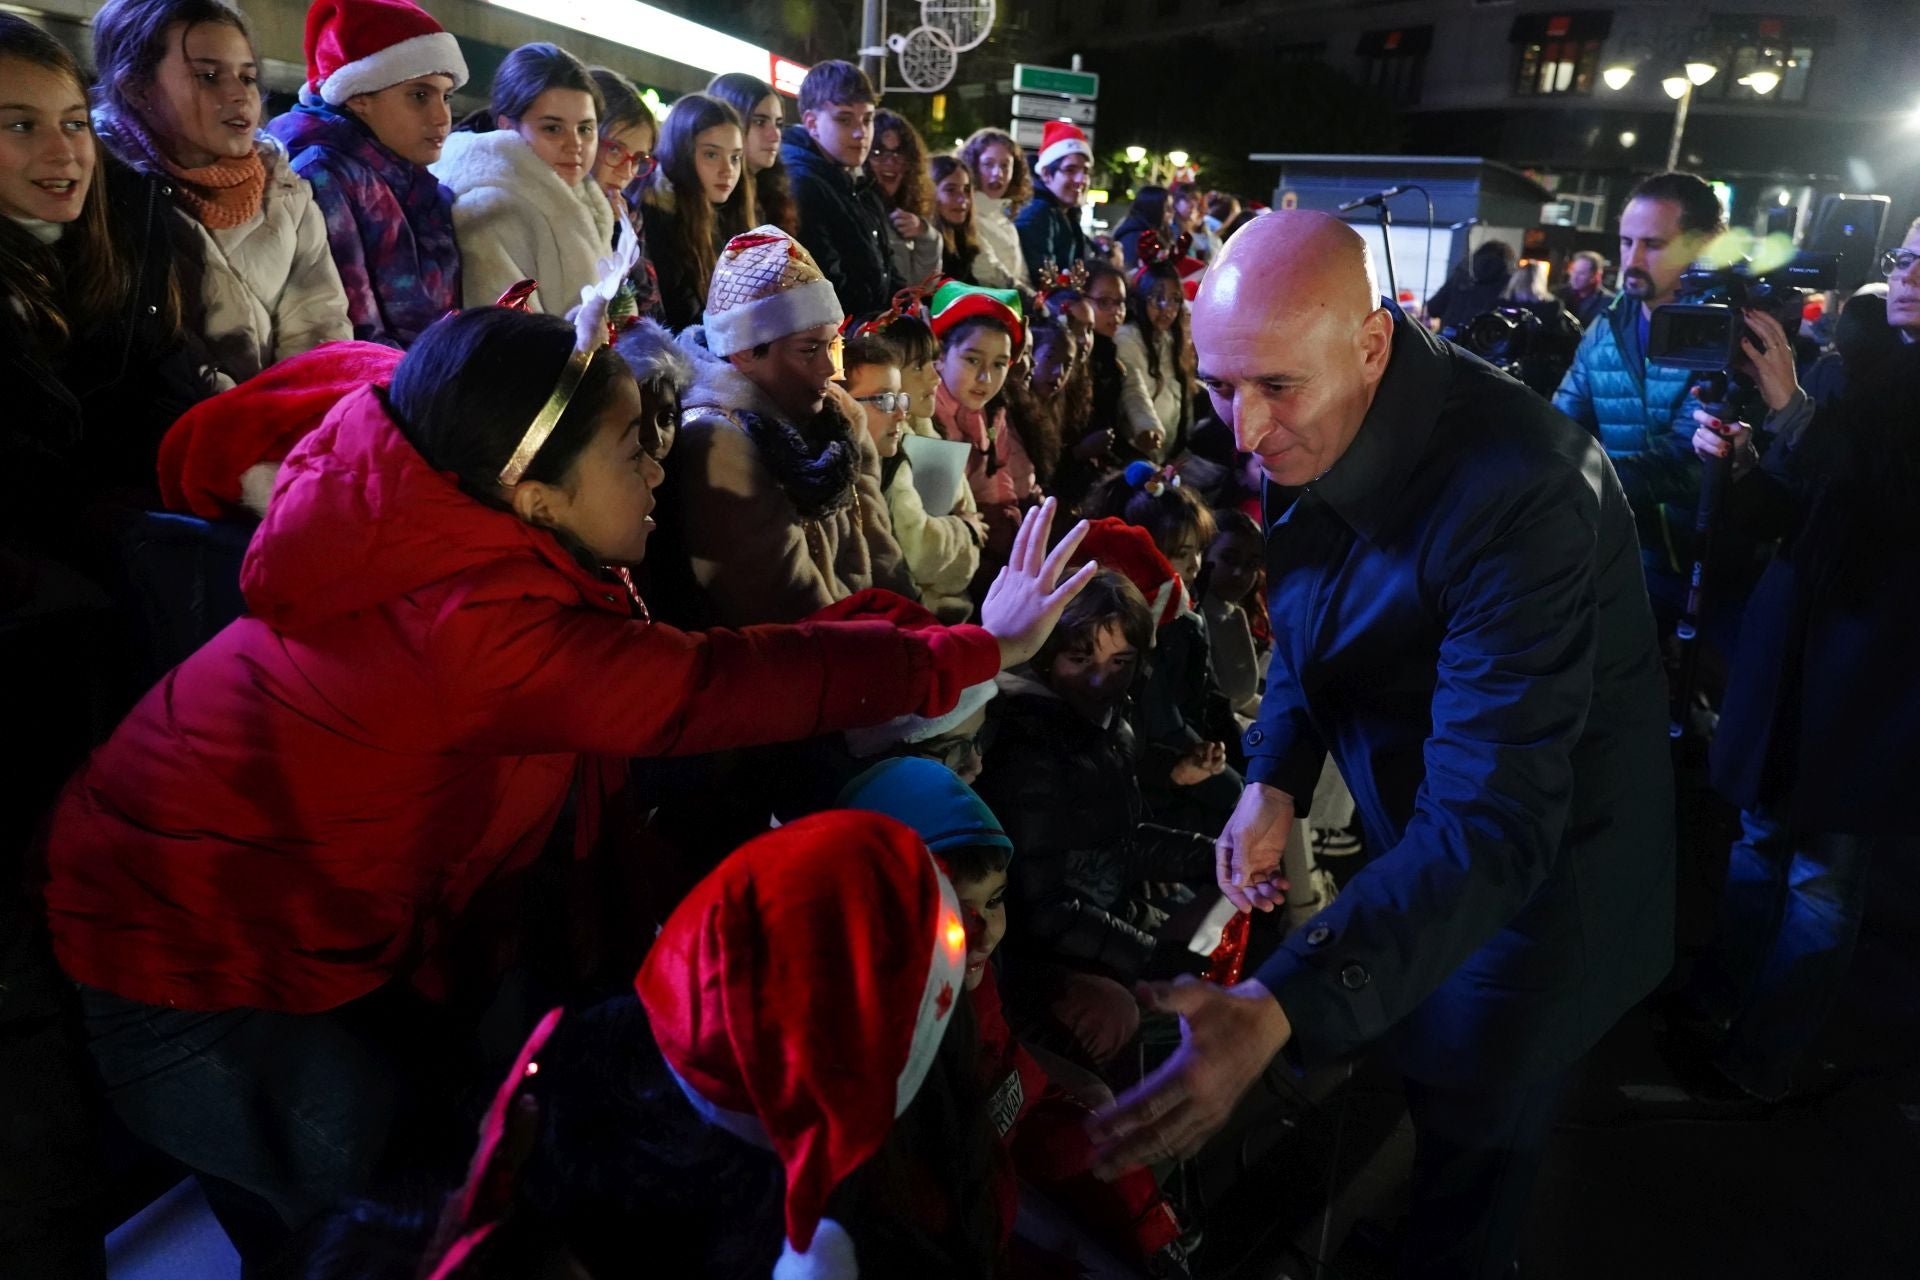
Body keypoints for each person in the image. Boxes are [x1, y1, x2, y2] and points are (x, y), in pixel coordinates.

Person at [33, 302, 1096, 1252]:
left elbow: (373, 372)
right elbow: (719, 684)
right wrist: (977, 650)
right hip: (180, 966)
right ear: (533, 493)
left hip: (286, 913)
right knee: (397, 1214)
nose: (661, 468)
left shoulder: (424, 482)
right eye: (635, 447)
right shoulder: (474, 631)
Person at [1087, 210, 1675, 1280]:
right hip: (1444, 838)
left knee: (1478, 1126)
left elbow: (1493, 819)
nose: (1246, 430)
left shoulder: (1523, 495)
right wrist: (1275, 773)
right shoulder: (1316, 406)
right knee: (1431, 1071)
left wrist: (1279, 1005)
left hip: (1543, 888)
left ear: (1372, 343)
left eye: (1272, 387)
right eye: (1218, 387)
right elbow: (1319, 621)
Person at [1666, 264, 1920, 1104]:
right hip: (1797, 647)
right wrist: (1744, 463)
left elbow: (1889, 501)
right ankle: (1714, 1002)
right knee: (1758, 836)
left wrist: (1793, 412)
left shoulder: (1845, 381)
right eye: (1905, 256)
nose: (1906, 273)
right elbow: (1801, 500)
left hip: (1876, 666)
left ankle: (1761, 1061)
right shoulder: (1858, 360)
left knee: (1823, 872)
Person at [838, 758, 1196, 1278]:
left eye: (996, 900)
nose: (981, 933)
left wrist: (1145, 1224)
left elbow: (1025, 1103)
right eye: (954, 910)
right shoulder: (869, 1080)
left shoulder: (969, 998)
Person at [975, 569, 1216, 1073]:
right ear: (1046, 657)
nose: (1101, 680)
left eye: (1120, 662)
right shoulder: (1030, 748)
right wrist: (1148, 955)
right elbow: (1042, 908)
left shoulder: (1106, 725)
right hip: (1043, 952)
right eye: (1081, 659)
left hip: (1101, 918)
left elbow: (1119, 842)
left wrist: (1214, 855)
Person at [1551, 171, 1801, 612]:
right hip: (1624, 561)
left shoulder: (1739, 333)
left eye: (1653, 244)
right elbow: (1561, 425)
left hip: (1718, 571)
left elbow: (1692, 462)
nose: (1631, 259)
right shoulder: (1607, 324)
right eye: (1626, 242)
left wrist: (1570, 486)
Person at [91, 0, 352, 392]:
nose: (239, 95)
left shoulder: (284, 188)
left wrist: (295, 419)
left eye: (247, 77)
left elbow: (321, 323)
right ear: (137, 88)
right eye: (209, 76)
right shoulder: (108, 197)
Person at [663, 226, 914, 626]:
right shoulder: (720, 443)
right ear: (745, 352)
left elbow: (882, 556)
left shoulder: (838, 415)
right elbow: (787, 607)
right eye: (809, 350)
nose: (831, 369)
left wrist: (921, 634)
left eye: (833, 345)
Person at [264, 0, 466, 351]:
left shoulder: (413, 180)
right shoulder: (322, 173)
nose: (441, 116)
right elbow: (358, 336)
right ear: (358, 97)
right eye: (419, 95)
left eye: (446, 97)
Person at [432, 42, 614, 314]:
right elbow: (511, 340)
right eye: (553, 128)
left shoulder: (586, 198)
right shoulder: (490, 207)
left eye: (585, 128)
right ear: (507, 127)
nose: (575, 144)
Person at [846, 328, 983, 623]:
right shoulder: (892, 460)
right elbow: (916, 555)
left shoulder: (913, 444)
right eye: (919, 366)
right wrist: (964, 531)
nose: (935, 377)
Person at [780, 60, 897, 317]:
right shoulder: (802, 184)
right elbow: (826, 288)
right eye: (845, 120)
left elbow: (886, 269)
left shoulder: (855, 181)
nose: (861, 133)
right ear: (811, 123)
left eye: (867, 119)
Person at [930, 279, 1035, 560]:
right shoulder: (928, 416)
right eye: (973, 360)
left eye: (999, 364)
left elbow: (999, 488)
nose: (985, 378)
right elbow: (933, 517)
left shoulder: (990, 412)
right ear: (940, 354)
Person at [640, 92, 750, 332]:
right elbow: (684, 320)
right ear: (682, 152)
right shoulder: (658, 217)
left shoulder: (728, 212)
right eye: (711, 154)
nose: (727, 170)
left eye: (735, 157)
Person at [586, 66, 661, 323]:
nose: (626, 171)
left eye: (639, 158)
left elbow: (649, 310)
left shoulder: (630, 216)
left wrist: (622, 233)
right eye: (616, 150)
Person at [1115, 255, 1195, 461]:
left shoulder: (1168, 339)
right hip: (1139, 450)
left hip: (1166, 451)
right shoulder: (1127, 338)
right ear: (1140, 298)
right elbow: (1133, 388)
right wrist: (1146, 426)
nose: (1166, 308)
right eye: (1157, 297)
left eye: (1174, 299)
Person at [706, 70, 795, 235]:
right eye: (760, 122)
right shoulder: (713, 197)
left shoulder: (773, 192)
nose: (775, 135)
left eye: (778, 123)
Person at [867, 108, 941, 290]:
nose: (890, 162)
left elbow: (922, 288)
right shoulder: (857, 210)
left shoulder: (908, 210)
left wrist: (925, 234)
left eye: (898, 153)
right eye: (878, 153)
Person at [1016, 121, 1093, 287]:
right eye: (1070, 170)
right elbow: (1044, 282)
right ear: (1045, 174)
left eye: (1085, 171)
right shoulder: (1038, 213)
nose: (1081, 180)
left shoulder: (1065, 212)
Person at [958, 126, 1029, 290]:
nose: (998, 173)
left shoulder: (1006, 221)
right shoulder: (966, 215)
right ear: (973, 167)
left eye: (1005, 165)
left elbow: (1022, 276)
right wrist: (1030, 299)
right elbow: (989, 272)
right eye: (988, 164)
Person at [1424, 238, 1514, 332]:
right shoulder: (1510, 285)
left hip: (1450, 339)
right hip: (1483, 342)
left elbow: (1433, 308)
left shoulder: (1462, 274)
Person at [929, 153, 980, 284]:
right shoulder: (922, 242)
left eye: (966, 190)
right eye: (950, 190)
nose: (963, 199)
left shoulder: (961, 239)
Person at [1111, 185, 1169, 268]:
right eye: (1167, 208)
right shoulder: (1134, 238)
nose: (1172, 212)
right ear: (1153, 209)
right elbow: (1131, 273)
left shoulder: (1155, 235)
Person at [1554, 248, 1613, 328]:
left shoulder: (1608, 303)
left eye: (1581, 273)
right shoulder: (1556, 294)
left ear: (1596, 275)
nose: (1574, 277)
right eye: (1574, 271)